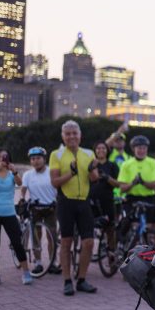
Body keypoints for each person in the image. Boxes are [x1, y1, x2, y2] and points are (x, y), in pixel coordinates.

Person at [49, 120, 98, 295]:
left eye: (74, 133)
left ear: (80, 135)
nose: (71, 136)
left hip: (83, 201)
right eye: (67, 134)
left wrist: (92, 169)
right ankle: (67, 280)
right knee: (66, 242)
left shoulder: (88, 153)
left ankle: (82, 279)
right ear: (63, 136)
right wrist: (71, 173)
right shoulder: (57, 154)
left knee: (89, 242)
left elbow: (94, 178)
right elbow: (54, 182)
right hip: (65, 201)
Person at [0, 148, 32, 286]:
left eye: (4, 157)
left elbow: (19, 183)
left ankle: (26, 273)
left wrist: (15, 171)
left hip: (9, 213)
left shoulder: (12, 174)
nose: (2, 159)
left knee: (17, 242)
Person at [21, 146, 59, 275]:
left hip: (50, 208)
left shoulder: (51, 172)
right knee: (36, 237)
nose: (35, 161)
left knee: (52, 237)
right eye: (32, 159)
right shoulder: (27, 175)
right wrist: (22, 199)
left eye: (38, 158)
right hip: (35, 208)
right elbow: (23, 190)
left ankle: (52, 262)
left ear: (44, 159)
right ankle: (38, 263)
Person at [117, 135, 155, 234]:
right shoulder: (126, 164)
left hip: (148, 198)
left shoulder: (153, 162)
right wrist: (133, 183)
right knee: (128, 224)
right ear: (134, 149)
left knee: (148, 227)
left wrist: (143, 182)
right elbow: (122, 188)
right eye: (139, 148)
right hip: (132, 198)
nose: (141, 151)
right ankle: (122, 243)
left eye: (144, 148)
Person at [89, 141, 120, 260]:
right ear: (95, 151)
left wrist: (107, 177)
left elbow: (118, 184)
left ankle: (111, 255)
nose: (101, 150)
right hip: (92, 200)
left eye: (103, 148)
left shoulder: (112, 165)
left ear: (107, 150)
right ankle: (89, 253)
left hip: (107, 200)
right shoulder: (91, 164)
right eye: (98, 148)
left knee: (110, 229)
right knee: (89, 228)